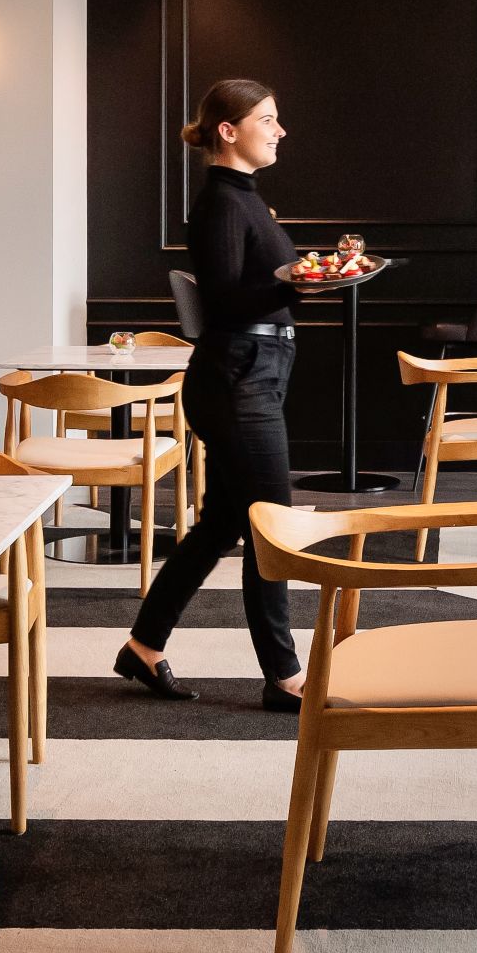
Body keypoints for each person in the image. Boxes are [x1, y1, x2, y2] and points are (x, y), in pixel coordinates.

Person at [118, 79, 308, 711]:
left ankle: (143, 646)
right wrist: (297, 284)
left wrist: (298, 281)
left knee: (222, 524)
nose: (280, 131)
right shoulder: (222, 203)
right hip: (236, 377)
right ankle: (285, 676)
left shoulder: (245, 199)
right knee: (270, 525)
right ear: (229, 131)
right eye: (268, 120)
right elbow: (225, 302)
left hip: (253, 372)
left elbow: (254, 289)